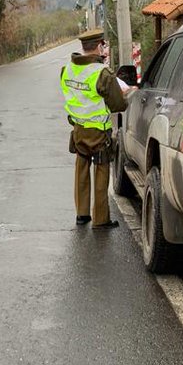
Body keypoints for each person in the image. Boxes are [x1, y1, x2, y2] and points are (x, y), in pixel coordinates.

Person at [60, 28, 138, 229]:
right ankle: (101, 219)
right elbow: (118, 105)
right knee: (101, 170)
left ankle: (82, 214)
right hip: (98, 131)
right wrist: (128, 94)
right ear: (99, 46)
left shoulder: (67, 69)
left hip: (78, 129)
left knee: (81, 168)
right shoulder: (102, 73)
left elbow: (72, 96)